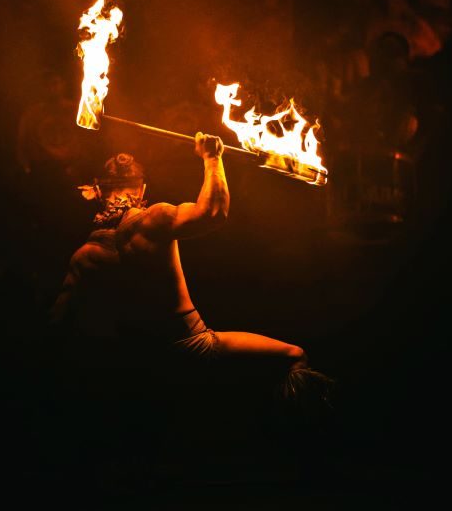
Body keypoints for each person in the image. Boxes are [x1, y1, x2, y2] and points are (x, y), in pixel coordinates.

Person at [49, 133, 332, 411]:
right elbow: (213, 213)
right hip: (193, 346)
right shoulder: (153, 219)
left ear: (97, 192)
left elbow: (57, 326)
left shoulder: (83, 257)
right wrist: (212, 157)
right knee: (295, 356)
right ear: (142, 190)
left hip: (139, 360)